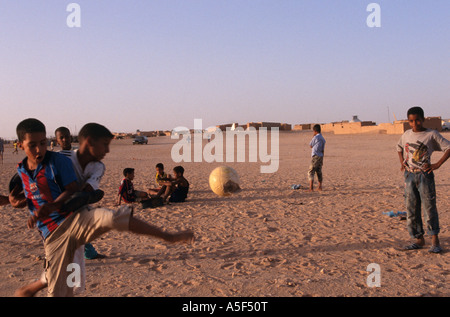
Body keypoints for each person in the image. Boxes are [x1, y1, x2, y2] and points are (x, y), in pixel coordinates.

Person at [13, 118, 194, 297]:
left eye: (43, 143)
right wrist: (15, 202)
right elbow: (26, 196)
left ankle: (168, 237)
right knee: (62, 288)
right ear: (20, 145)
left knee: (114, 218)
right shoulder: (21, 170)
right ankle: (30, 289)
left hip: (74, 219)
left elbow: (72, 190)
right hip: (54, 235)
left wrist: (54, 205)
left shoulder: (57, 161)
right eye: (33, 145)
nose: (39, 149)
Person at [397, 106, 450, 254]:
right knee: (411, 208)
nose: (414, 124)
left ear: (423, 119)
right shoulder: (406, 134)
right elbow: (399, 147)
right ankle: (418, 239)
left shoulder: (431, 134)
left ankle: (435, 241)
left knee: (429, 208)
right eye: (411, 121)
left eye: (417, 121)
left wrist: (436, 165)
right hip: (409, 175)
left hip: (424, 175)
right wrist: (402, 162)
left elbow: (448, 148)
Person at [55, 126, 102, 260]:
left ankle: (89, 252)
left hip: (79, 196)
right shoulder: (55, 158)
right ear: (57, 140)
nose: (65, 139)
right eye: (61, 137)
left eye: (67, 136)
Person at [308, 124, 326, 191]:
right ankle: (320, 187)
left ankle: (311, 188)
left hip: (315, 156)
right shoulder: (323, 139)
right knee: (319, 171)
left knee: (311, 171)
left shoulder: (315, 137)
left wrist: (313, 136)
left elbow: (310, 145)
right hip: (320, 156)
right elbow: (323, 150)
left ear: (315, 131)